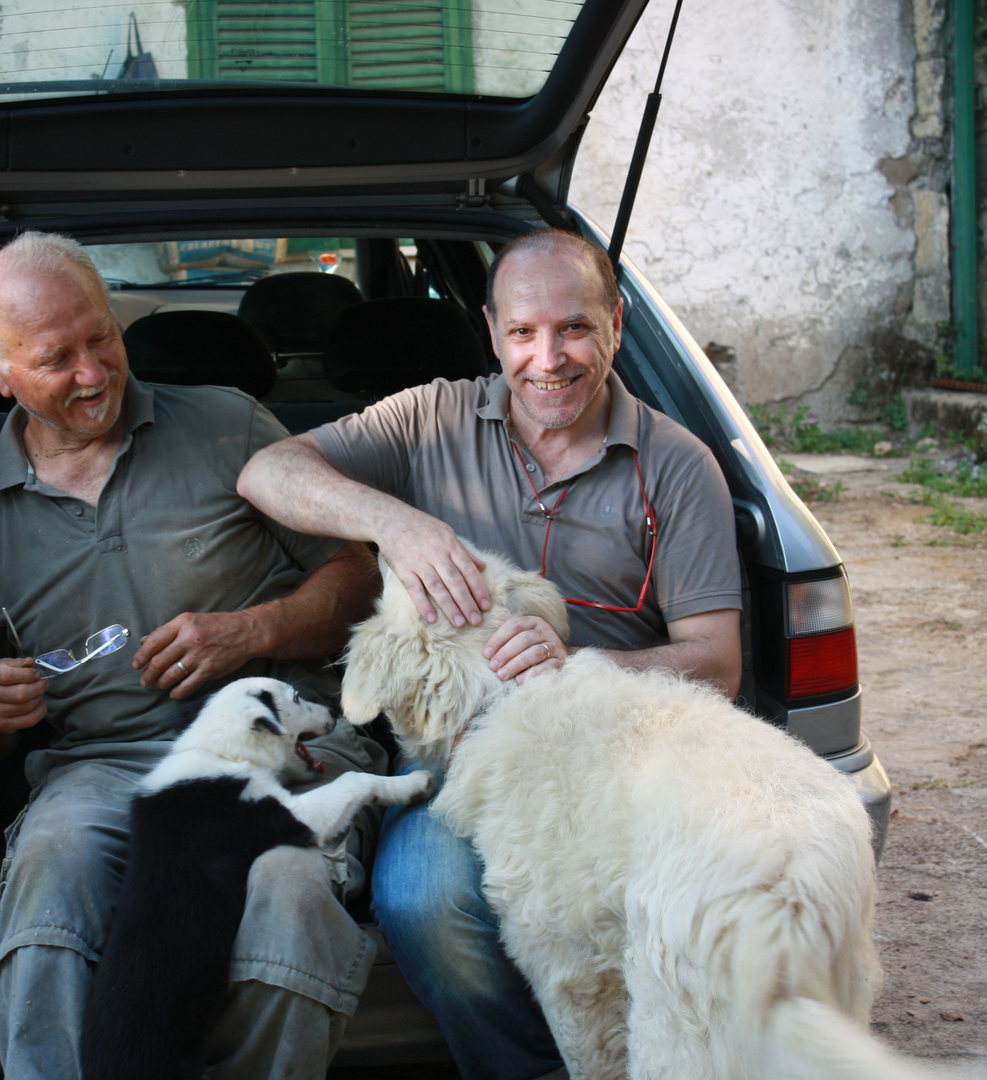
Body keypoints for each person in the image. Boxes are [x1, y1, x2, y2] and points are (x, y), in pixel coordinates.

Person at [236, 228, 744, 1080]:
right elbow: (267, 473)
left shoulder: (678, 466)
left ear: (617, 325)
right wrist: (395, 521)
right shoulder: (429, 418)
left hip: (610, 751)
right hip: (457, 760)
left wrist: (578, 664)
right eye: (523, 333)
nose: (549, 359)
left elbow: (718, 663)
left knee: (638, 915)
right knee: (421, 899)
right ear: (490, 329)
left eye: (575, 328)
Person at [0, 231, 386, 1080]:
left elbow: (358, 579)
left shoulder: (227, 425)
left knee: (290, 893)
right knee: (52, 869)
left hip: (278, 748)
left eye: (101, 336)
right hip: (101, 769)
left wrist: (254, 631)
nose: (96, 373)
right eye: (56, 358)